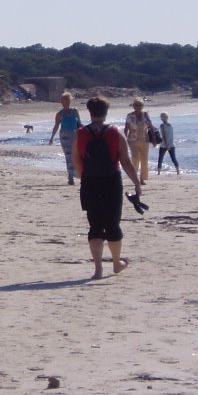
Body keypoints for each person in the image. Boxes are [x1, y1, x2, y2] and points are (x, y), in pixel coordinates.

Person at [72, 96, 142, 280]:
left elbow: (76, 160)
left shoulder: (80, 133)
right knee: (112, 224)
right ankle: (117, 263)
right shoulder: (115, 132)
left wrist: (84, 176)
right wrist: (136, 182)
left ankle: (98, 269)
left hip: (90, 182)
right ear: (106, 112)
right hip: (111, 181)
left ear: (90, 111)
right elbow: (125, 161)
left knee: (94, 225)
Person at [48, 91, 82, 185]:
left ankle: (78, 174)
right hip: (65, 136)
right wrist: (52, 138)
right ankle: (71, 177)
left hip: (75, 136)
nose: (66, 102)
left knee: (76, 156)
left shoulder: (75, 111)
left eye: (68, 100)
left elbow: (79, 124)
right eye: (64, 100)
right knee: (69, 156)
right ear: (61, 102)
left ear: (70, 101)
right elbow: (56, 126)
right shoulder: (60, 114)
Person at [123, 98, 154, 184]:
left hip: (145, 140)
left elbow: (151, 126)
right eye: (136, 105)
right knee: (135, 158)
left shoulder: (146, 115)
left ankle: (142, 179)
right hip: (132, 140)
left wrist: (154, 139)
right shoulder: (129, 116)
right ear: (133, 106)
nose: (138, 107)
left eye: (140, 105)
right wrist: (124, 140)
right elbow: (126, 129)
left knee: (144, 159)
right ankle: (135, 177)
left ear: (142, 106)